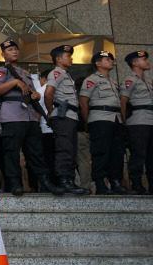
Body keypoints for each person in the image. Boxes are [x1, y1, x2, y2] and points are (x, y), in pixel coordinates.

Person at [0, 40, 64, 196]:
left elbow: (31, 94)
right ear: (3, 54)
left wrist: (35, 95)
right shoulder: (1, 71)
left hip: (30, 117)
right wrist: (15, 82)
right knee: (12, 152)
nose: (14, 52)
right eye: (10, 50)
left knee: (37, 152)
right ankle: (14, 184)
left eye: (16, 49)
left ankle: (46, 182)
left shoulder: (26, 73)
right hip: (12, 116)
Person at [79, 51, 128, 195]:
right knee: (101, 152)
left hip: (116, 119)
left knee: (117, 152)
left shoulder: (113, 82)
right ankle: (100, 183)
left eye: (111, 59)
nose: (111, 61)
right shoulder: (91, 79)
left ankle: (116, 182)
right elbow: (83, 101)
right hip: (99, 118)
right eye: (107, 59)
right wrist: (88, 121)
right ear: (98, 63)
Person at [43, 45, 88, 195]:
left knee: (70, 149)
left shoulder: (66, 74)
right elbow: (49, 93)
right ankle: (64, 180)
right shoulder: (56, 73)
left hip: (70, 117)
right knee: (64, 149)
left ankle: (69, 180)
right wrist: (50, 112)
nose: (71, 58)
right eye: (67, 56)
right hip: (62, 117)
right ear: (58, 59)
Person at [120, 51, 152, 194]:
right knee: (138, 153)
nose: (147, 61)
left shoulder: (148, 81)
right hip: (137, 122)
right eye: (143, 59)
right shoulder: (130, 80)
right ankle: (137, 184)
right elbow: (123, 101)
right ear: (134, 63)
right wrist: (124, 123)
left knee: (151, 155)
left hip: (150, 121)